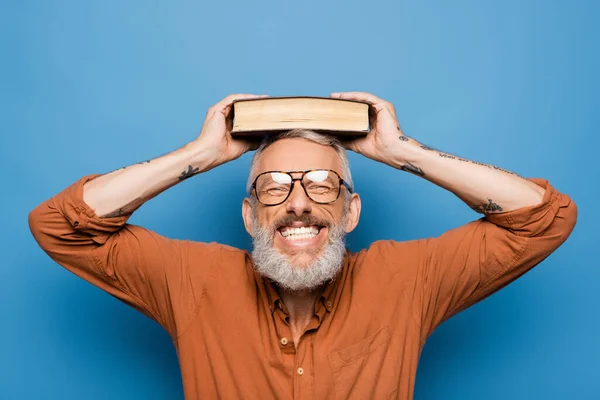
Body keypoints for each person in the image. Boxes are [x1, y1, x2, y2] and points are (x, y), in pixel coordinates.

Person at [29, 92, 577, 400]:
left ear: (350, 210)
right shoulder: (192, 280)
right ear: (248, 215)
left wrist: (401, 150)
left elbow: (543, 219)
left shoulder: (406, 279)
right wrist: (199, 154)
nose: (298, 203)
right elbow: (58, 225)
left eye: (321, 183)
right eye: (274, 186)